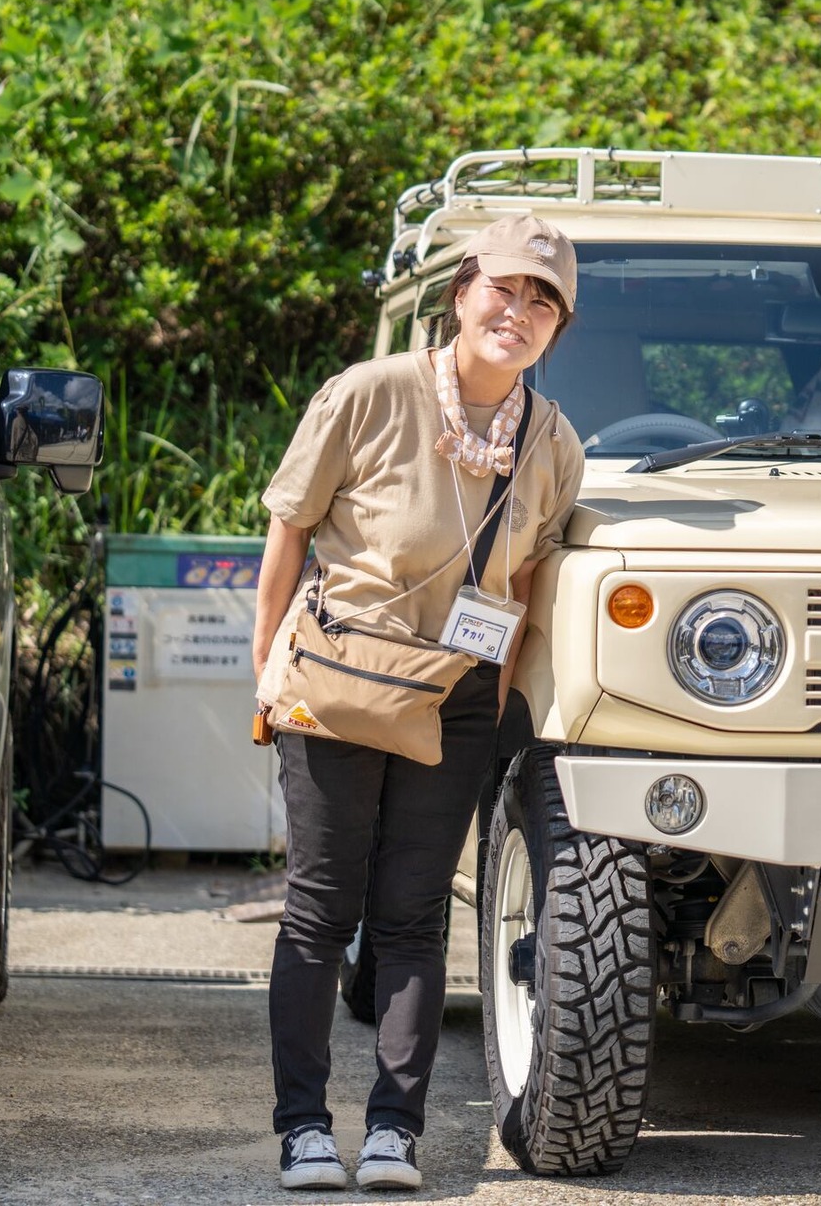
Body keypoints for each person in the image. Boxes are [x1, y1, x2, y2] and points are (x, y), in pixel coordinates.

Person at [250, 214, 584, 1192]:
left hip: (456, 704)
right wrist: (267, 672)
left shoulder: (553, 442)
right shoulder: (367, 394)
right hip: (341, 682)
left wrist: (494, 699)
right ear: (462, 291)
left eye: (544, 303)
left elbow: (526, 588)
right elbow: (288, 534)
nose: (518, 314)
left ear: (559, 329)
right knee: (319, 908)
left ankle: (394, 1131)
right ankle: (304, 1131)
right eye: (505, 289)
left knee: (412, 917)